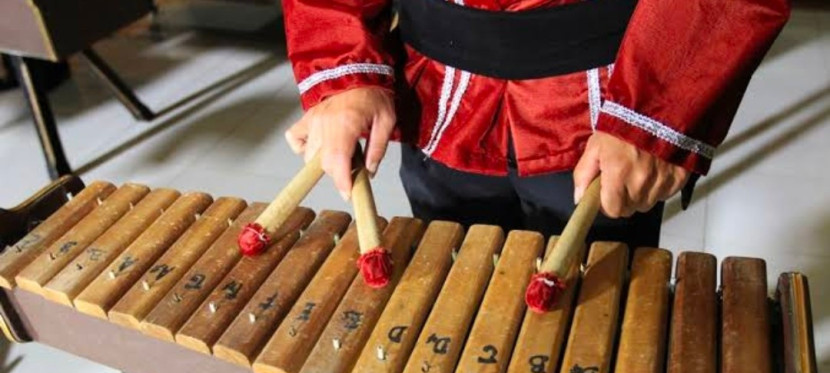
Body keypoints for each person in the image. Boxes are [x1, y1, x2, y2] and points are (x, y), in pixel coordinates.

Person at [280, 0, 789, 249]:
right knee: (459, 282)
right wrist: (340, 66)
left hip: (604, 111)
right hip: (437, 101)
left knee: (595, 312)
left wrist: (656, 108)